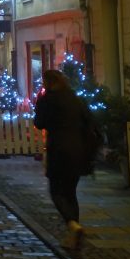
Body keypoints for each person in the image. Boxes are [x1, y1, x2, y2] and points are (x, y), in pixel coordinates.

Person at [33, 68, 94, 249]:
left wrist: (40, 106)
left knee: (56, 192)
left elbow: (39, 123)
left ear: (48, 82)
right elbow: (89, 121)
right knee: (71, 192)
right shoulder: (75, 99)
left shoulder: (48, 99)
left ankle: (72, 225)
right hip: (78, 149)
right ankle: (74, 233)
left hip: (58, 149)